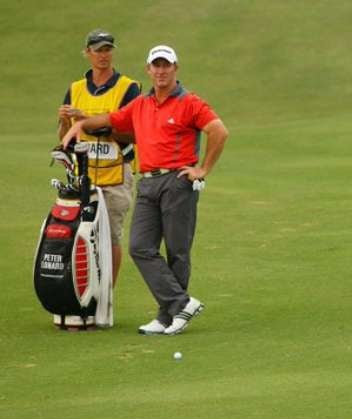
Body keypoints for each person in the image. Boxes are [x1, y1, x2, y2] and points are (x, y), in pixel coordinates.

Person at [62, 44, 229, 336]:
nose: (161, 71)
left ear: (175, 68)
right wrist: (82, 123)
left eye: (167, 65)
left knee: (177, 251)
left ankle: (168, 316)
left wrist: (202, 169)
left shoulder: (190, 102)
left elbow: (219, 130)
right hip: (148, 182)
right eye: (157, 66)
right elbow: (111, 120)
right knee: (140, 247)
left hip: (178, 182)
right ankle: (181, 304)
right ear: (148, 70)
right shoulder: (141, 104)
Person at [58, 29, 141, 286]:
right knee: (82, 235)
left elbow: (134, 134)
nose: (103, 55)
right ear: (87, 53)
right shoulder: (75, 88)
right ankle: (84, 290)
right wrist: (65, 122)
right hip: (83, 175)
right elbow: (66, 138)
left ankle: (106, 296)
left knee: (111, 236)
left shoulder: (129, 88)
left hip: (116, 172)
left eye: (107, 49)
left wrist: (90, 122)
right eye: (98, 50)